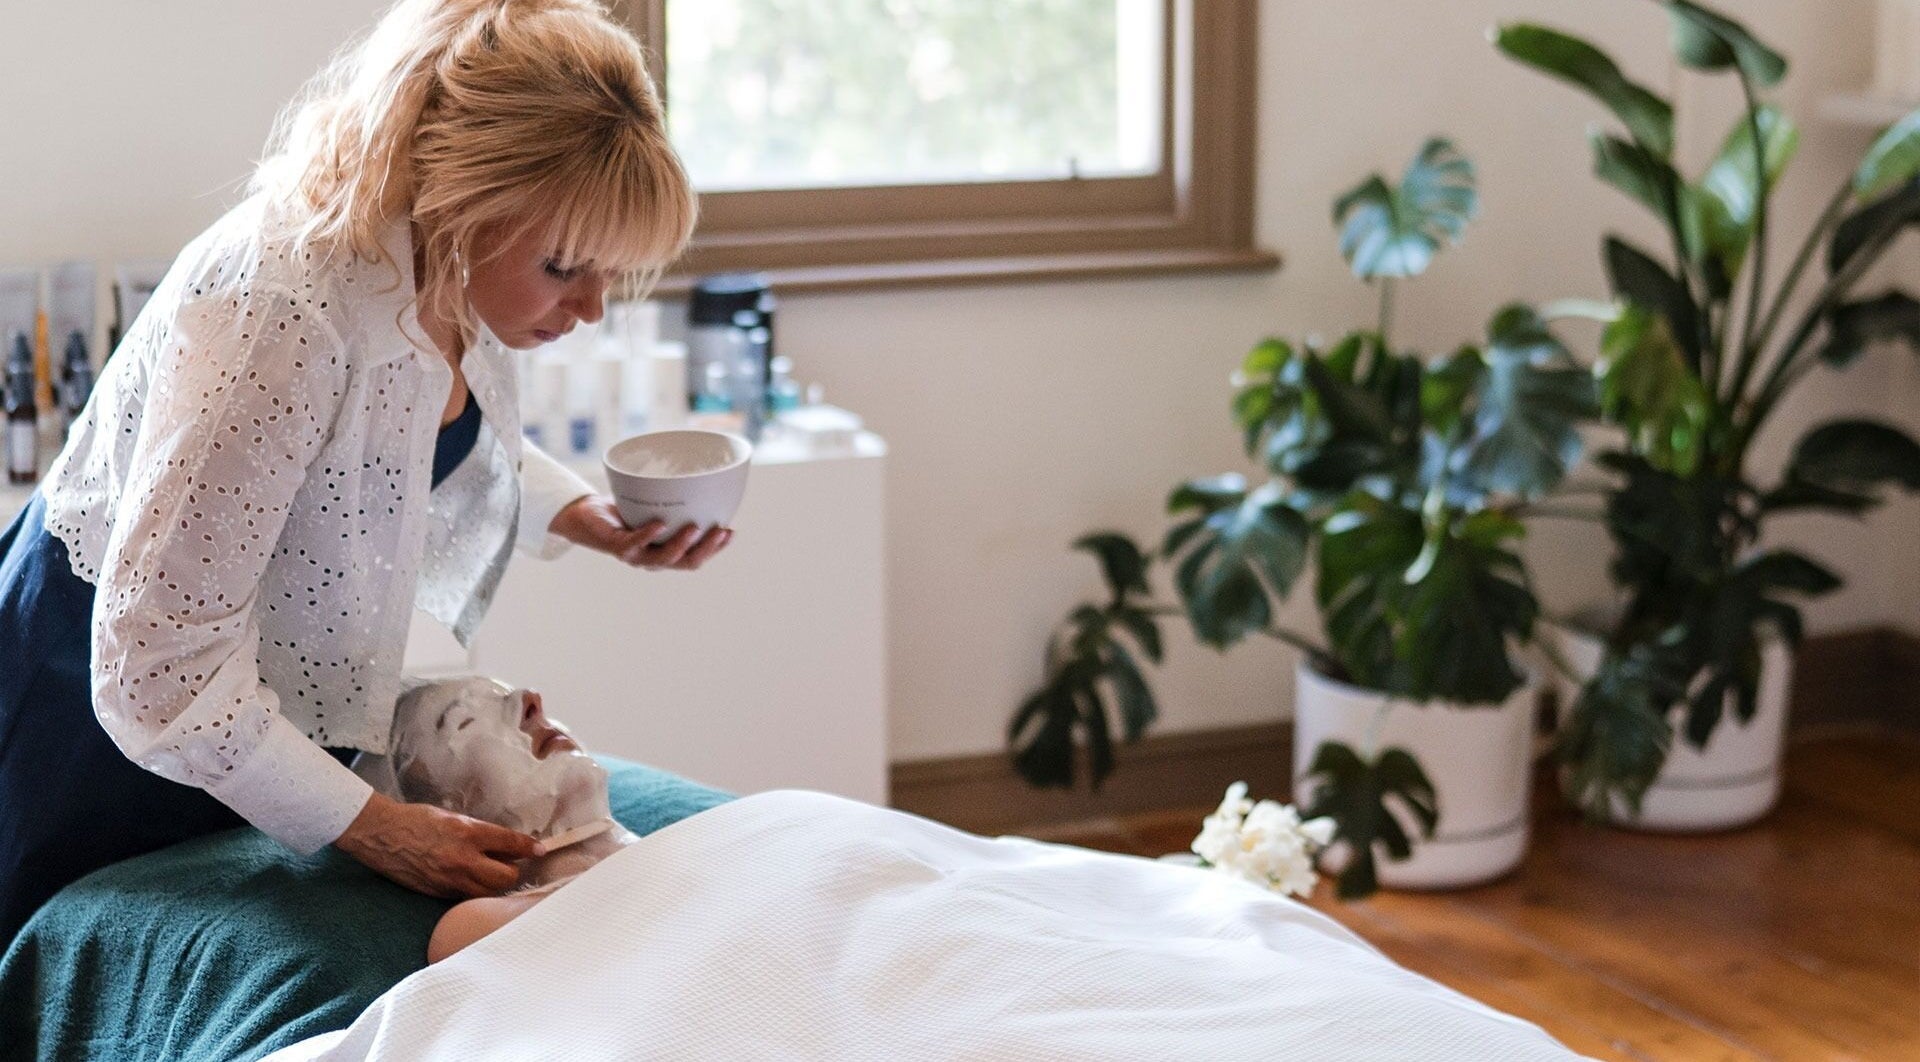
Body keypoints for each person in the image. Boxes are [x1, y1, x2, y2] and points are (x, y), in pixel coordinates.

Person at [0, 0, 720, 945]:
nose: (589, 309)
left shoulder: (446, 269)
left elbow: (399, 438)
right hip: (102, 720)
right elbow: (156, 673)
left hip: (254, 710)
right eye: (564, 267)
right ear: (460, 196)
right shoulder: (278, 313)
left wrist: (582, 513)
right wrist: (376, 831)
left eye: (609, 276)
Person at [349, 675, 645, 962]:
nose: (530, 699)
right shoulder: (472, 930)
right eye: (465, 722)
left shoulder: (686, 840)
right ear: (444, 822)